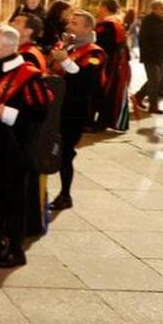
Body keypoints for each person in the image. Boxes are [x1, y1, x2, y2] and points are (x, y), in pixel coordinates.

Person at [0, 25, 55, 267]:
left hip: (15, 148)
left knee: (13, 199)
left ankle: (16, 249)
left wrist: (3, 112)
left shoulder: (30, 76)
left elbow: (38, 116)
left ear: (8, 47)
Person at [47, 11, 106, 211]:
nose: (69, 25)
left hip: (74, 109)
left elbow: (87, 81)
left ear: (87, 29)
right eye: (69, 22)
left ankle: (65, 194)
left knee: (65, 152)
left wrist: (65, 61)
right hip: (55, 105)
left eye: (75, 23)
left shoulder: (95, 53)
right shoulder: (65, 45)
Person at [93, 0, 131, 132]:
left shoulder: (107, 24)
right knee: (111, 90)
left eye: (99, 5)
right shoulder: (116, 21)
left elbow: (101, 44)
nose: (98, 8)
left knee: (106, 90)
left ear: (104, 7)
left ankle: (102, 122)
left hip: (110, 62)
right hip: (117, 61)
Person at [133, 0, 163, 114]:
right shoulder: (148, 20)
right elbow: (143, 39)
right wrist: (149, 53)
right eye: (161, 8)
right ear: (154, 9)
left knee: (156, 80)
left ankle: (138, 96)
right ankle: (153, 105)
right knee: (154, 80)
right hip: (151, 56)